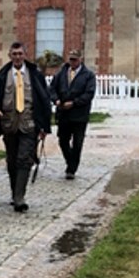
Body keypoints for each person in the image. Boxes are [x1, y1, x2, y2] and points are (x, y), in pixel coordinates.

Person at [0, 42, 51, 212]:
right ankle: (15, 192)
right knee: (12, 160)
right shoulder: (2, 76)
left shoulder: (35, 75)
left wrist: (44, 126)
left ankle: (20, 197)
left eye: (20, 53)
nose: (17, 57)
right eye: (14, 54)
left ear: (25, 55)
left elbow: (44, 101)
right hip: (9, 125)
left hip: (29, 124)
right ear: (9, 55)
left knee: (24, 159)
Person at [48, 48, 97, 179]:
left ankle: (71, 169)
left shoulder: (88, 75)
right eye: (71, 59)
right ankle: (71, 161)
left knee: (77, 143)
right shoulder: (61, 73)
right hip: (63, 113)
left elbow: (89, 94)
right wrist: (56, 100)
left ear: (80, 59)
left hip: (79, 115)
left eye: (75, 59)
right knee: (63, 141)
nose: (72, 62)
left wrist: (75, 103)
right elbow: (52, 88)